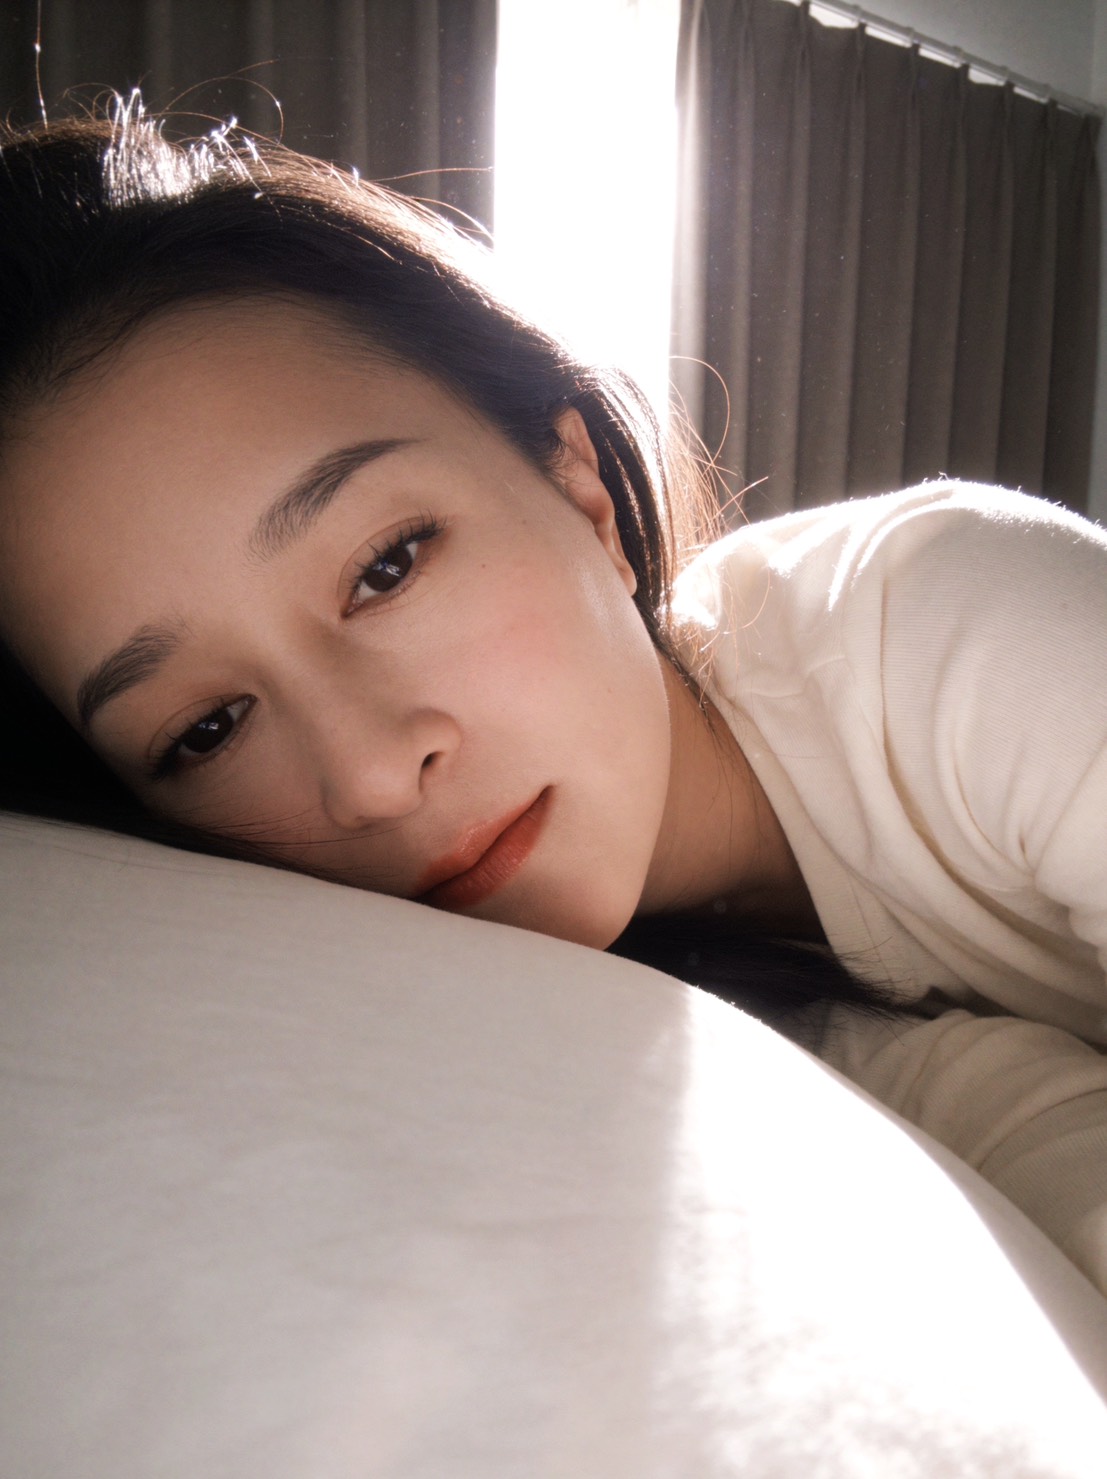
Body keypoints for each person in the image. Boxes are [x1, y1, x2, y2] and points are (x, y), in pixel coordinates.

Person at [1, 97, 1106, 1293]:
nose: (372, 776)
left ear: (583, 491)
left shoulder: (956, 624)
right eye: (206, 730)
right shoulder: (634, 1031)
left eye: (388, 567)